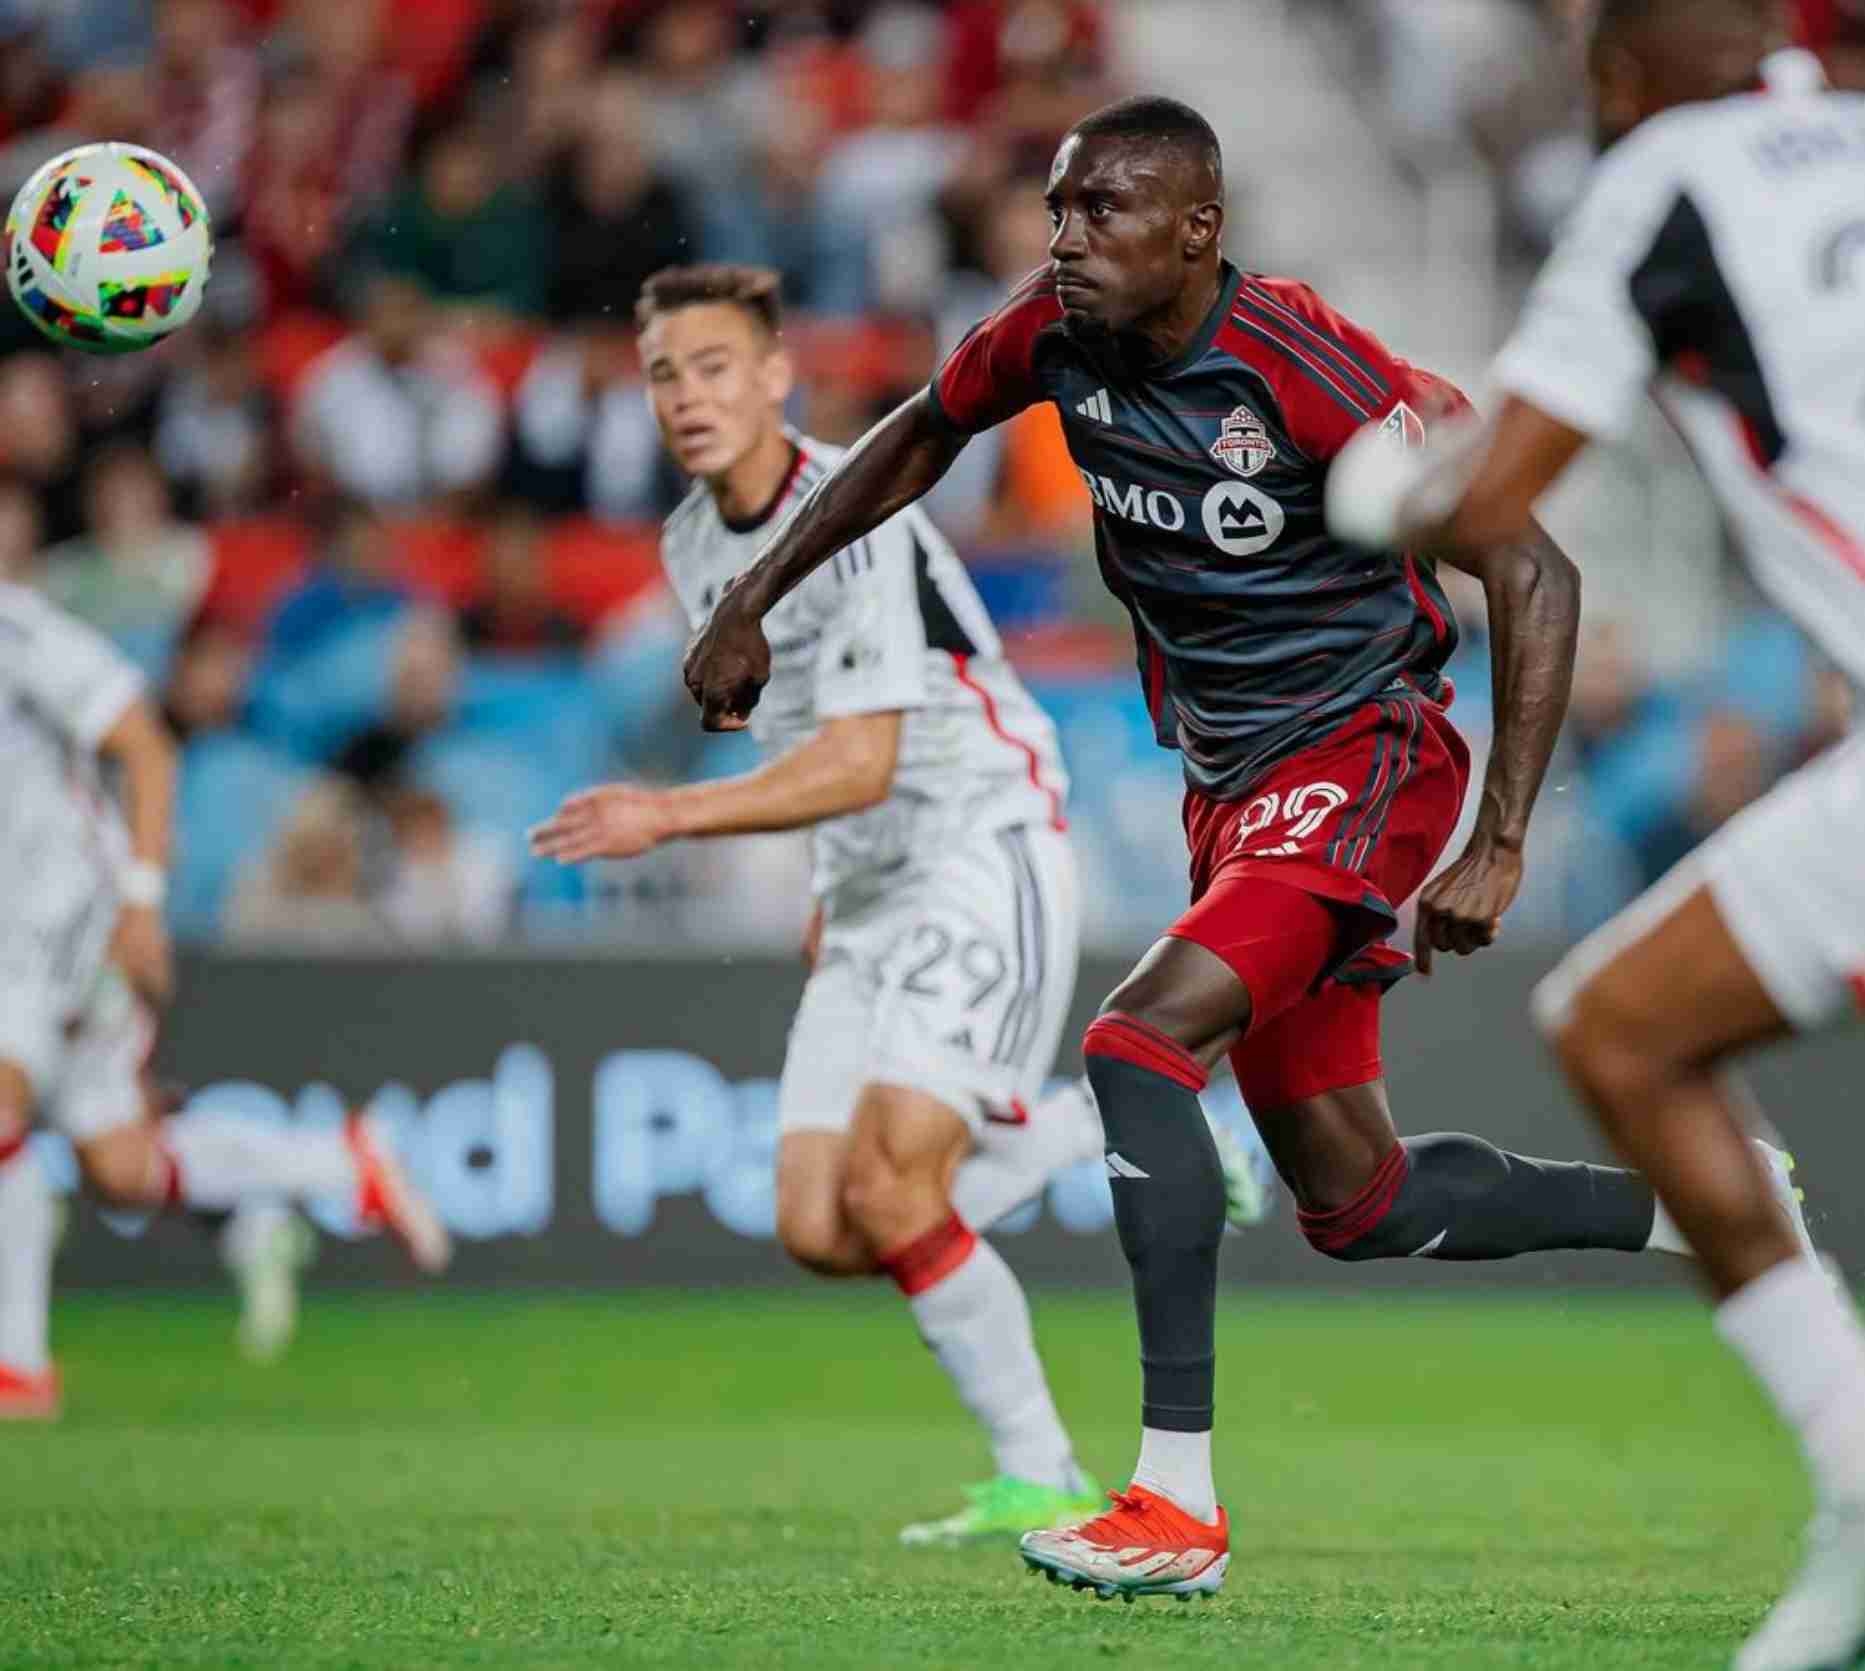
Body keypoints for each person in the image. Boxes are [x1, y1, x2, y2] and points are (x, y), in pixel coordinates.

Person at [679, 96, 1816, 1600]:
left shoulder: (1299, 365)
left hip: (1365, 753)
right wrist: (752, 594)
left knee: (1137, 1044)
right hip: (1228, 788)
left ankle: (1173, 1502)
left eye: (1104, 211)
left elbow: (1533, 568)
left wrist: (1498, 840)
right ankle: (1707, 1196)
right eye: (1059, 208)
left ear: (1197, 229)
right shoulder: (1053, 334)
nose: (1066, 238)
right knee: (1361, 1201)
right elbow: (918, 435)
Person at [532, 262, 1263, 1546]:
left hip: (978, 840)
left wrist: (668, 815)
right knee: (819, 1223)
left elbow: (866, 758)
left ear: (775, 376)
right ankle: (1113, 1128)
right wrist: (831, 880)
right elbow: (800, 730)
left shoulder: (852, 509)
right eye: (663, 375)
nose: (687, 396)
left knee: (889, 1182)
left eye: (714, 367)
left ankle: (1041, 1470)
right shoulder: (690, 544)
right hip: (867, 878)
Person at [1325, 7, 1865, 1666]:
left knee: (1624, 1035)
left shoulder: (1664, 175)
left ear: (1615, 79)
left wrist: (1385, 491)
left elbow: (1491, 493)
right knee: (1621, 1021)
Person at [0, 581, 451, 1418]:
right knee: (122, 1170)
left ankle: (17, 1369)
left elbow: (145, 745)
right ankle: (339, 1161)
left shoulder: (16, 631)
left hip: (60, 920)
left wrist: (141, 901)